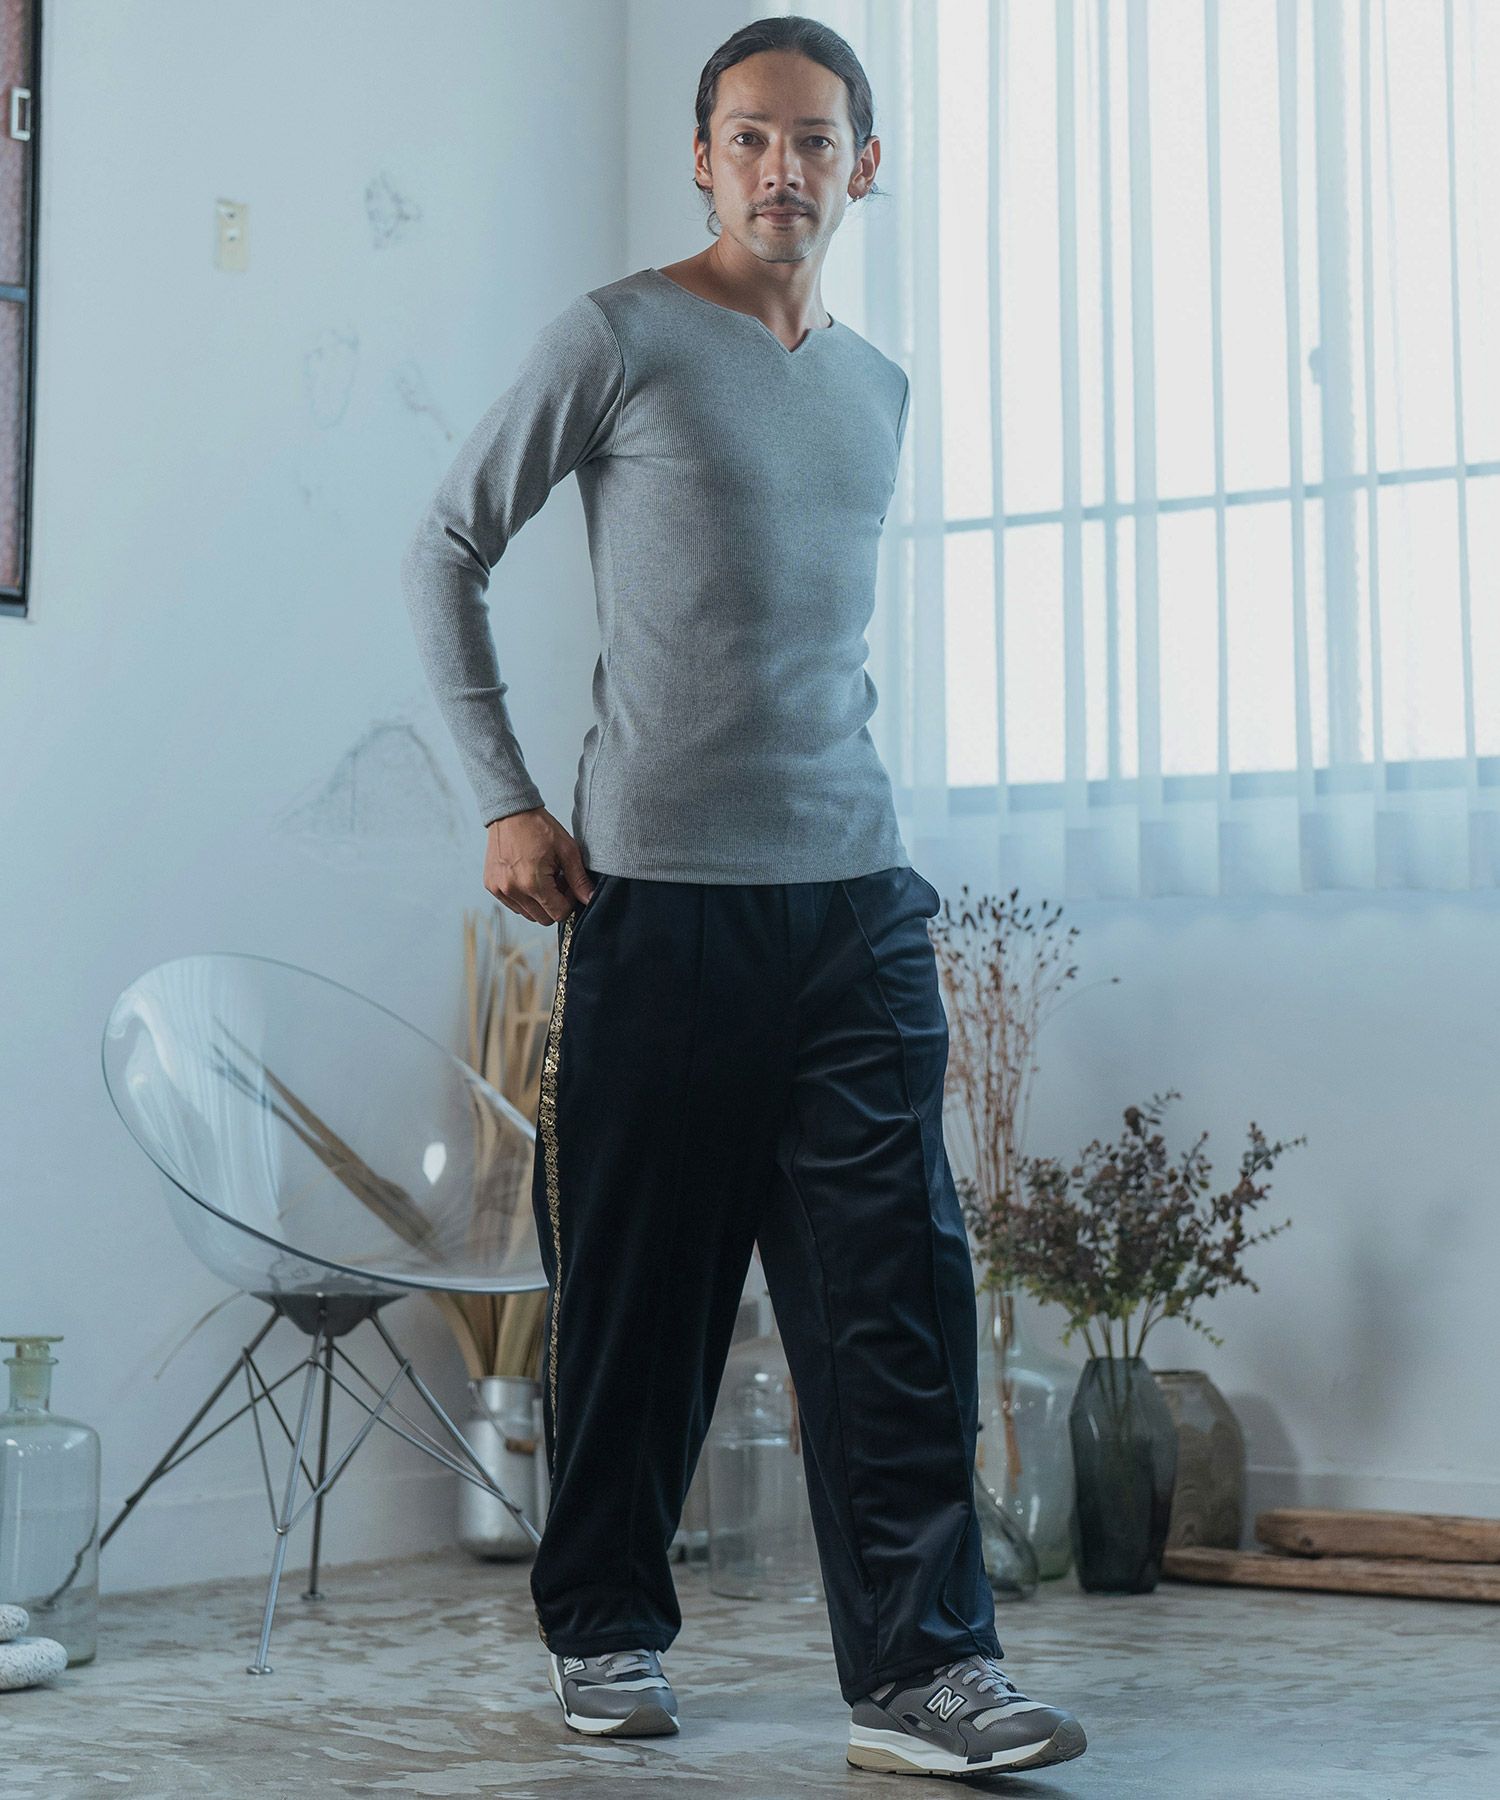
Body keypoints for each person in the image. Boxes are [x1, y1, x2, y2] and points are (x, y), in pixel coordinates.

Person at [400, 14, 1088, 1782]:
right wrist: (507, 799)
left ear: (866, 166)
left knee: (896, 1300)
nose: (785, 168)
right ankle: (605, 1631)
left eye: (817, 139)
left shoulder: (880, 389)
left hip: (854, 902)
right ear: (704, 158)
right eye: (752, 137)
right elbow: (445, 545)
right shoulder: (618, 337)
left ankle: (926, 1674)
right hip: (659, 903)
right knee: (643, 1301)